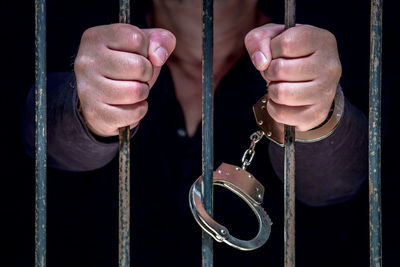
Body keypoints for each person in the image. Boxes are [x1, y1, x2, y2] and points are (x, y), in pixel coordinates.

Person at [22, 0, 369, 266]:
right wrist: (88, 108)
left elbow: (342, 180)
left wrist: (317, 114)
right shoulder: (89, 37)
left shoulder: (326, 50)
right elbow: (39, 134)